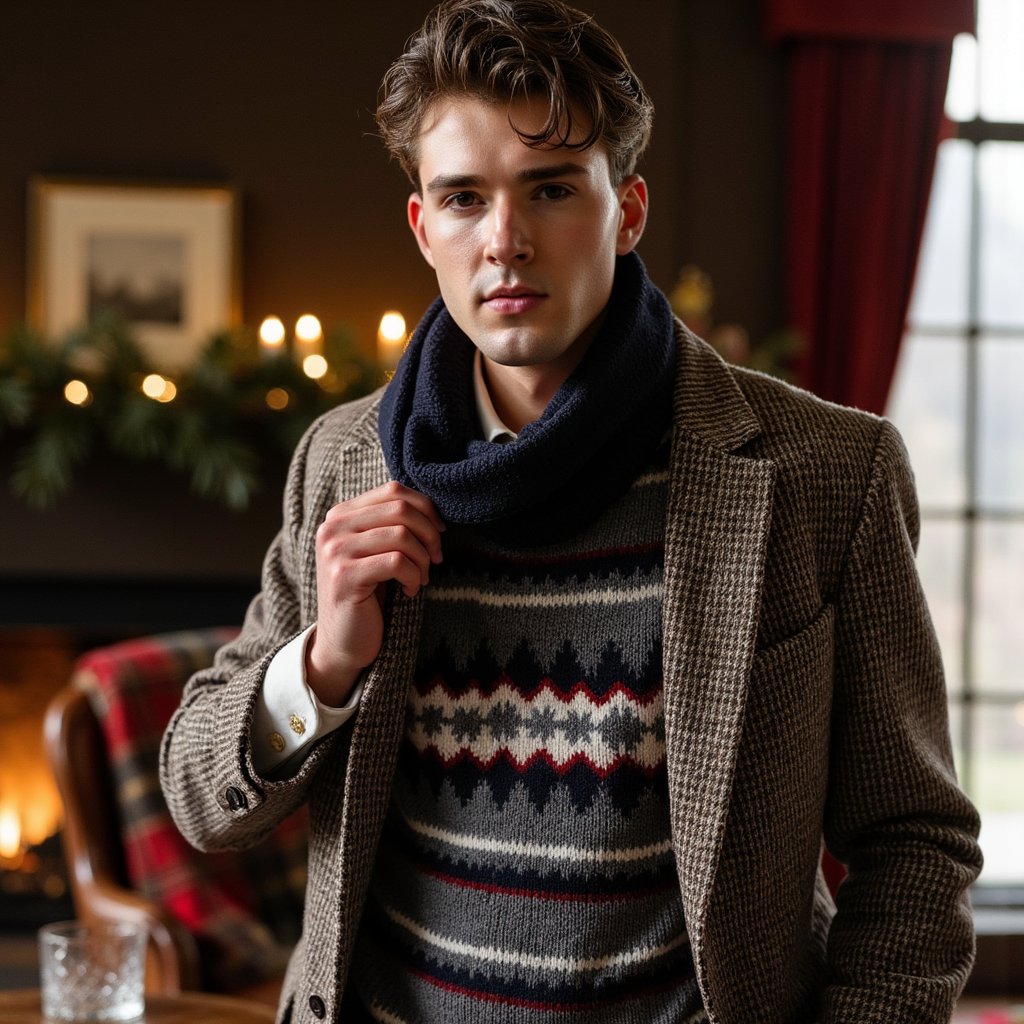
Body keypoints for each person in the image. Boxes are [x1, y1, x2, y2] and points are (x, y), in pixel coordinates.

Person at [160, 2, 982, 1021]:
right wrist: (322, 664)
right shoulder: (341, 461)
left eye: (549, 189)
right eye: (463, 198)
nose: (503, 241)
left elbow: (914, 843)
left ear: (626, 211)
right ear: (423, 227)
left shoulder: (826, 473)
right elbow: (199, 796)